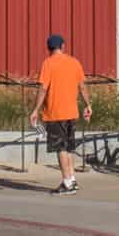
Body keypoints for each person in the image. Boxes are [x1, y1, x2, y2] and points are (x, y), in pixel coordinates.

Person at [30, 33, 91, 194]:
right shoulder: (74, 62)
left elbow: (43, 88)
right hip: (72, 112)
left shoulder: (48, 63)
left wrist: (36, 109)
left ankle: (67, 183)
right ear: (63, 47)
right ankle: (72, 179)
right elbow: (82, 86)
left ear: (48, 49)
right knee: (68, 148)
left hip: (55, 113)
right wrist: (88, 105)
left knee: (61, 149)